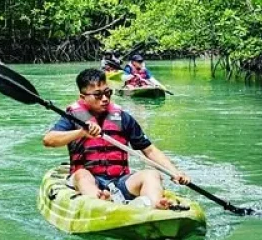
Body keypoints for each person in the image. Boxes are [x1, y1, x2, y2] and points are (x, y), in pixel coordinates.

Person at [42, 68, 190, 209]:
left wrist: (174, 172)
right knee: (82, 175)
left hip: (119, 181)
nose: (105, 99)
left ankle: (155, 205)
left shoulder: (122, 117)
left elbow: (149, 150)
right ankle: (98, 202)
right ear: (83, 97)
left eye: (108, 93)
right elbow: (49, 140)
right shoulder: (72, 117)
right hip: (88, 179)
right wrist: (80, 133)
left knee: (151, 174)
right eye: (98, 95)